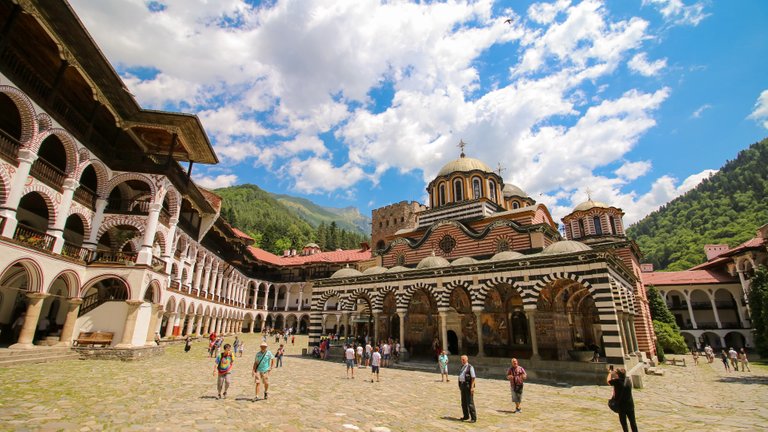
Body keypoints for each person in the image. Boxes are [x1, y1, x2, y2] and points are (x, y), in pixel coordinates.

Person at [607, 366, 638, 432]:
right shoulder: (628, 381)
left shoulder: (617, 382)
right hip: (630, 405)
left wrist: (610, 373)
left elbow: (608, 381)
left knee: (624, 425)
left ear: (618, 375)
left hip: (621, 407)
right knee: (633, 423)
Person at [457, 355, 477, 423]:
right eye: (461, 359)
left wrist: (472, 387)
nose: (462, 361)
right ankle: (466, 416)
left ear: (467, 360)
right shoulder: (462, 367)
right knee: (463, 402)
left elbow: (473, 377)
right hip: (462, 385)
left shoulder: (470, 367)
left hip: (468, 386)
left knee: (470, 402)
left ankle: (473, 418)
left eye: (463, 359)